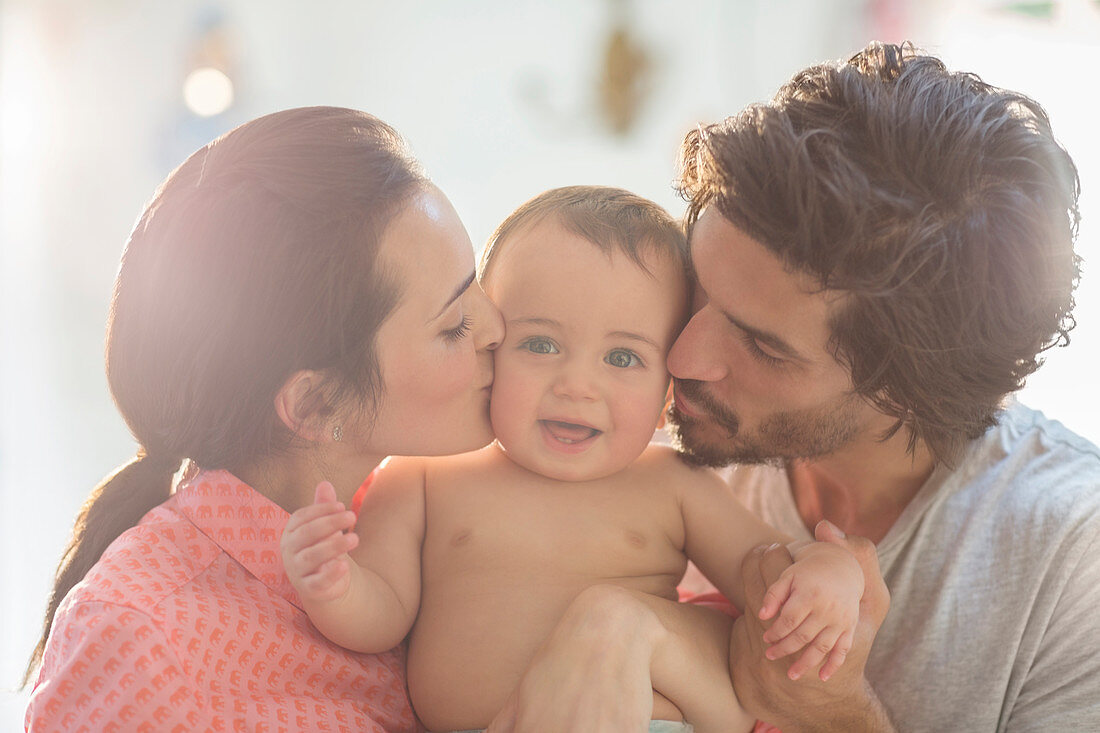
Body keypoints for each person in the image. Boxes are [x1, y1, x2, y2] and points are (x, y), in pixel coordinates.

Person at [496, 41, 1099, 732]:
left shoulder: (1074, 554)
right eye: (699, 282)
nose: (683, 357)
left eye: (760, 344)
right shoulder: (619, 428)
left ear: (903, 389)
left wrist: (835, 713)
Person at [281, 186, 868, 733]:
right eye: (540, 345)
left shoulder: (671, 484)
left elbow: (764, 574)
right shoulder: (424, 474)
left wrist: (828, 575)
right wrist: (332, 585)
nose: (577, 385)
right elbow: (383, 613)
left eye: (622, 357)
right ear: (489, 345)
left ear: (668, 391)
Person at [24, 106, 507, 731]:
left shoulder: (433, 516)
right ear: (315, 405)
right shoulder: (139, 639)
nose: (497, 327)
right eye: (455, 326)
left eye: (479, 287)